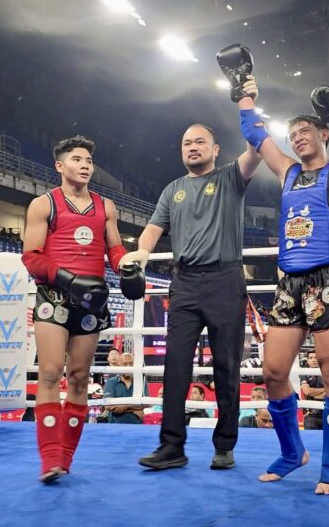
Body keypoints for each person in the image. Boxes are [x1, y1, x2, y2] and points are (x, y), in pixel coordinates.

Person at [222, 44, 329, 495]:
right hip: (289, 282)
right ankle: (292, 452)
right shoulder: (287, 172)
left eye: (305, 131)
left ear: (324, 134)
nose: (297, 137)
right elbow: (253, 132)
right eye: (292, 133)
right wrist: (242, 89)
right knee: (273, 372)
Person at [124, 115, 262, 471]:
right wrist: (142, 252)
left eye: (200, 142)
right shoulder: (173, 190)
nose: (193, 147)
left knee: (226, 365)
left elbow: (256, 151)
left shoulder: (230, 177)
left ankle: (225, 445)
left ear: (215, 150)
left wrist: (248, 108)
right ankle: (172, 446)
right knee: (175, 365)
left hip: (224, 279)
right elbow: (153, 228)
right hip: (184, 282)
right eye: (187, 143)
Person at [21, 135, 132, 484]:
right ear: (60, 166)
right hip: (54, 296)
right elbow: (31, 257)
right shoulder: (43, 204)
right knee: (50, 372)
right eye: (77, 159)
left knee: (81, 376)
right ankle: (49, 457)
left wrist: (127, 267)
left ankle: (65, 459)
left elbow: (114, 250)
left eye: (89, 161)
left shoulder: (105, 206)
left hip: (91, 300)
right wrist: (68, 279)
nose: (85, 165)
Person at [103, 353, 146, 424]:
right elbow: (107, 405)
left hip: (137, 425)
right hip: (115, 425)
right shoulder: (111, 382)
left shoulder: (141, 381)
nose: (128, 367)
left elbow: (146, 404)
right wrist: (134, 409)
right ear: (119, 366)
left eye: (131, 364)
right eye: (125, 364)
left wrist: (124, 406)